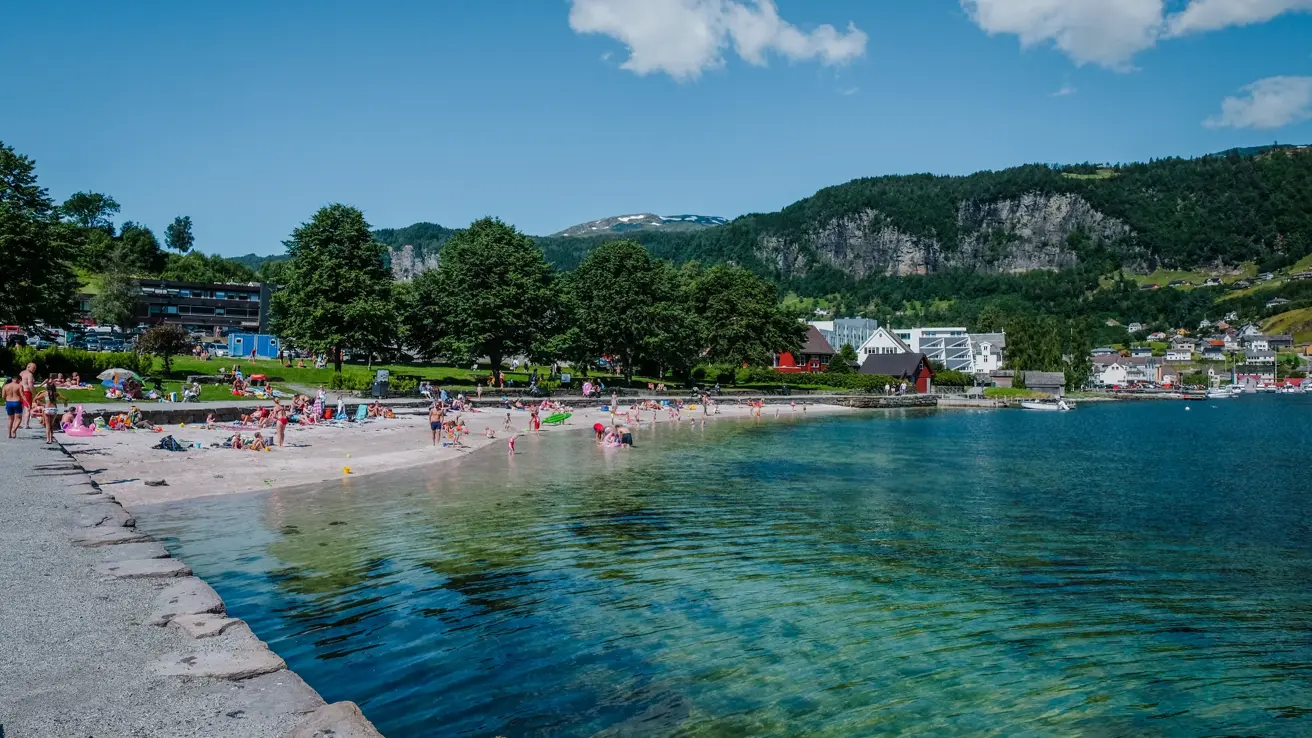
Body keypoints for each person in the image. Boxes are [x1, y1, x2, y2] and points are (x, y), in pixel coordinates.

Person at [19, 362, 36, 429]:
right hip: (26, 392)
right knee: (27, 408)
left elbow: (18, 382)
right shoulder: (30, 374)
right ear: (28, 366)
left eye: (35, 368)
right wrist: (35, 394)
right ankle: (26, 425)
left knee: (20, 408)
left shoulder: (21, 373)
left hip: (20, 392)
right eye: (33, 368)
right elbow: (30, 385)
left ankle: (19, 423)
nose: (34, 369)